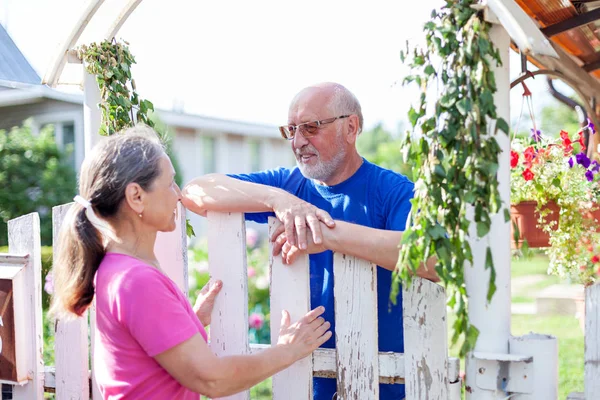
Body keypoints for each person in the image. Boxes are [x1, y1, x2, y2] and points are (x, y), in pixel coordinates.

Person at [182, 82, 439, 400]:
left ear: (351, 127)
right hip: (303, 384)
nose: (298, 141)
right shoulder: (287, 185)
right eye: (290, 130)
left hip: (386, 383)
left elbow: (430, 260)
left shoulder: (394, 190)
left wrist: (327, 235)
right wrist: (278, 199)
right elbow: (195, 192)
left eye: (311, 127)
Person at [50, 125, 332, 400]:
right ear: (137, 197)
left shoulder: (116, 268)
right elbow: (212, 379)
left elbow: (146, 361)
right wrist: (288, 350)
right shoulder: (136, 281)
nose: (179, 194)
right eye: (170, 183)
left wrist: (191, 321)